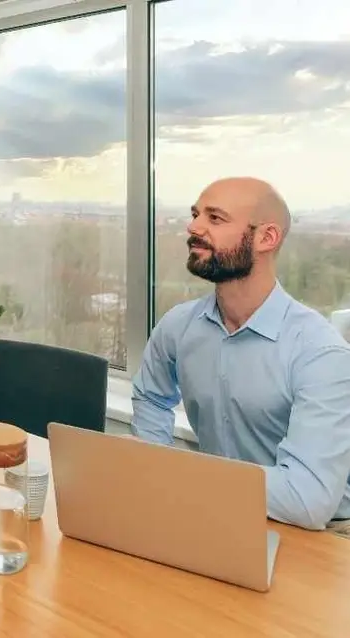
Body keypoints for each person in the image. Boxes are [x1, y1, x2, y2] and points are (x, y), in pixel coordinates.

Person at [131, 176, 350, 533]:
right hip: (220, 512)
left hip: (323, 534)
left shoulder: (321, 353)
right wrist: (155, 462)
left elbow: (308, 499)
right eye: (196, 214)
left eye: (215, 218)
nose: (194, 226)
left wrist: (177, 472)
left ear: (266, 238)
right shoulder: (178, 326)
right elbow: (151, 397)